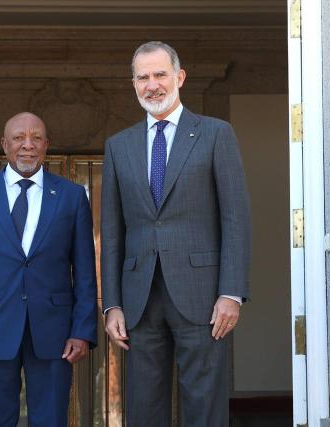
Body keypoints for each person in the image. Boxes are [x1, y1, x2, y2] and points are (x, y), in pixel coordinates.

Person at [101, 41, 251, 426]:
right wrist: (112, 303)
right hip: (139, 300)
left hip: (203, 298)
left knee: (204, 405)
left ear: (179, 77)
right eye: (143, 77)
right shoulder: (119, 146)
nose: (152, 85)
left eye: (160, 74)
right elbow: (113, 231)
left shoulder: (216, 134)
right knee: (143, 409)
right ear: (133, 83)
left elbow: (236, 218)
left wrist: (230, 292)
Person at [0, 112, 97, 427]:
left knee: (51, 420)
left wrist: (82, 330)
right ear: (4, 145)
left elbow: (84, 273)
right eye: (18, 138)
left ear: (47, 145)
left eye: (36, 138)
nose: (27, 145)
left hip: (55, 332)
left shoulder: (72, 197)